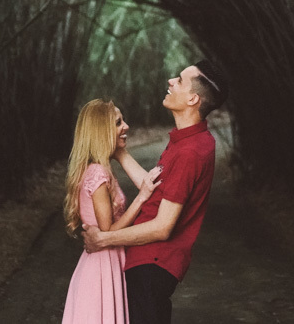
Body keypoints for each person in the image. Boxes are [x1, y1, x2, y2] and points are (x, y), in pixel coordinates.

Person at [83, 60, 229, 324]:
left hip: (153, 264)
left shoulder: (190, 152)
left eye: (180, 80)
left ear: (193, 99)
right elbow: (154, 189)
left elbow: (163, 227)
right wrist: (120, 153)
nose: (171, 81)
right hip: (149, 264)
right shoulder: (189, 141)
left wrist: (103, 239)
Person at [62, 99, 163, 324]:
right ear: (102, 131)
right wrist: (142, 197)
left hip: (105, 260)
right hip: (102, 264)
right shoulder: (98, 173)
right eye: (118, 123)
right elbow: (108, 230)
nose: (126, 126)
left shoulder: (95, 169)